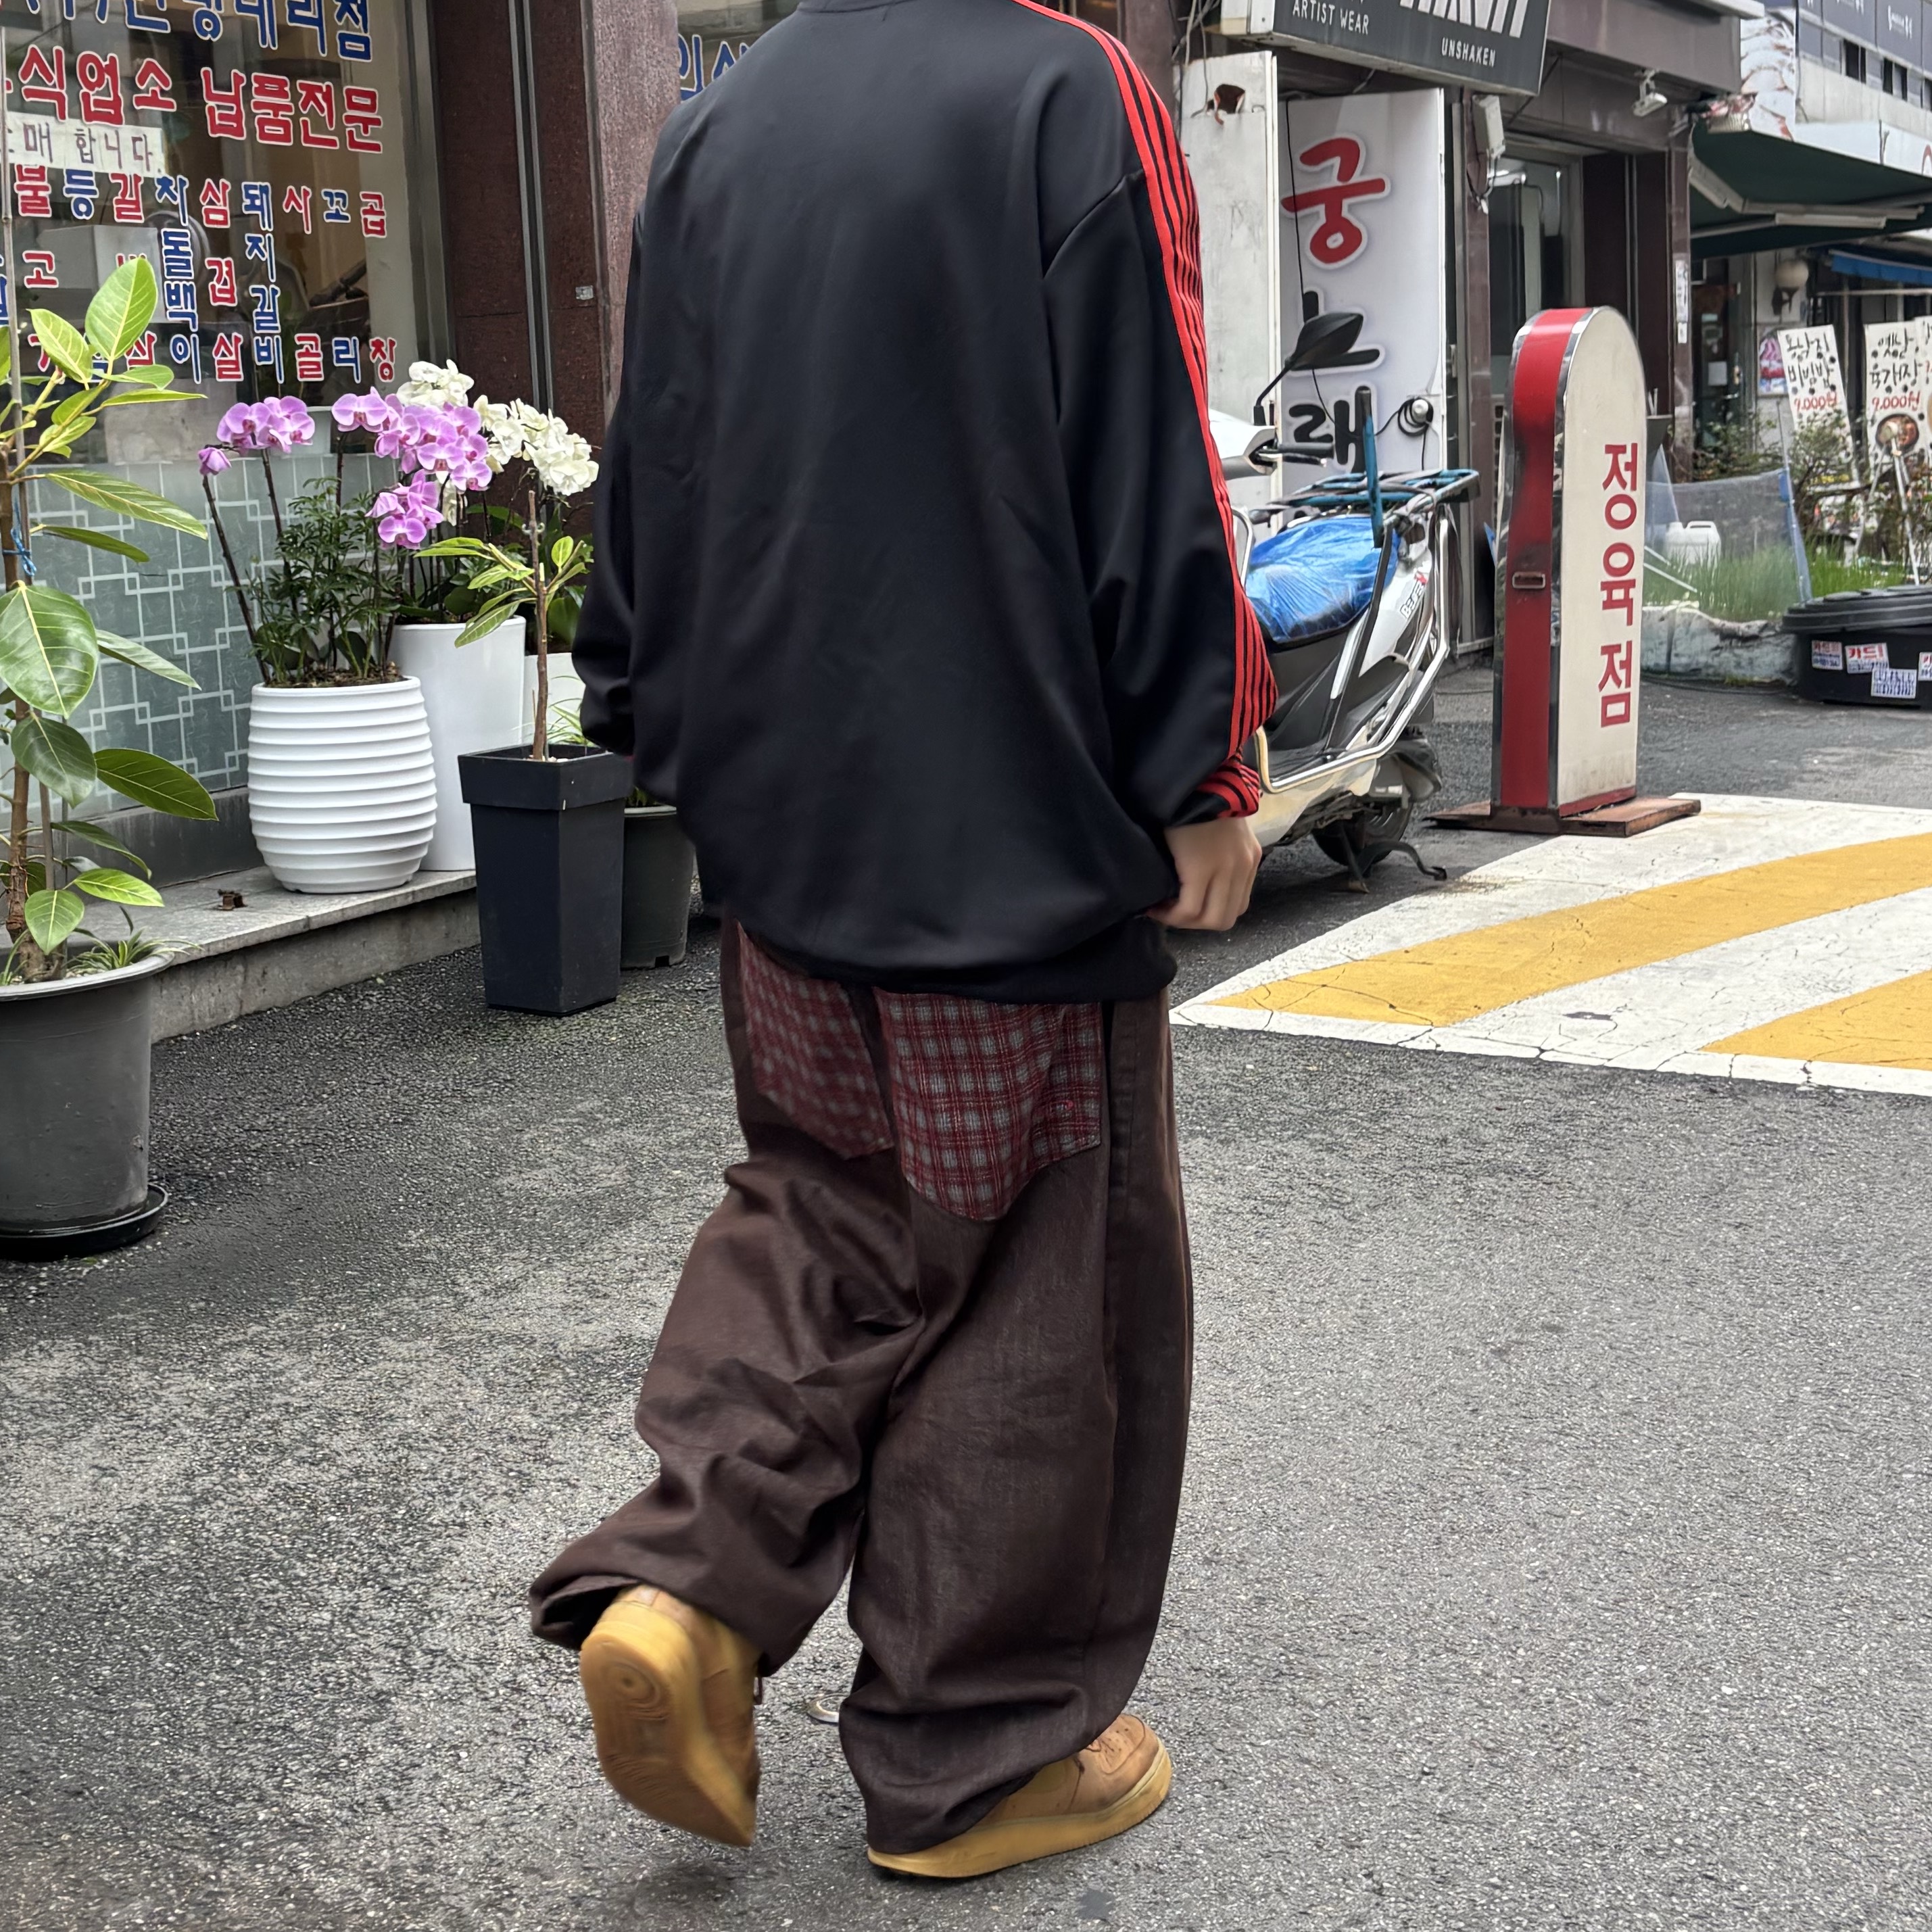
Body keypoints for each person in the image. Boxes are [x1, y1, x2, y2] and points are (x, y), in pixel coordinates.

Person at [535, 0, 1274, 1881]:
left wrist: (637, 696)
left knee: (828, 1202)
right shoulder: (1059, 81)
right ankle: (977, 1750)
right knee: (1036, 1272)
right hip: (1005, 825)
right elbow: (1146, 446)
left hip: (782, 827)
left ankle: (686, 1585)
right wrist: (1198, 757)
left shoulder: (729, 109)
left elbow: (661, 441)